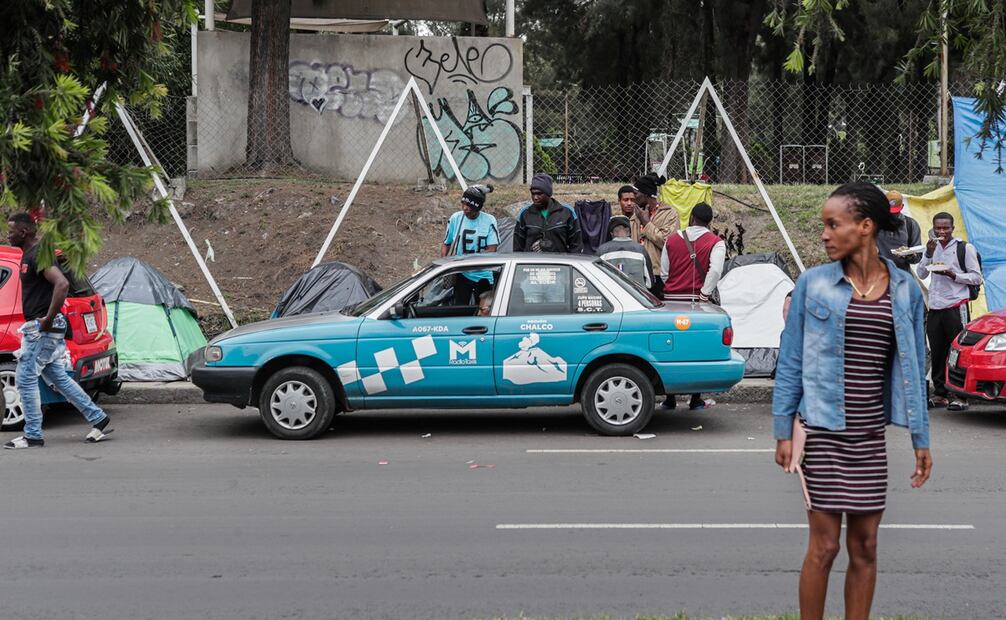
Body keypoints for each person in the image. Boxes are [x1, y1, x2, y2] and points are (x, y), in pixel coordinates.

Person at [773, 182, 932, 620]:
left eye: (832, 224)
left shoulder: (905, 291)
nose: (824, 234)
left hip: (869, 437)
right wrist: (782, 428)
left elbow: (913, 370)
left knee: (865, 547)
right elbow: (790, 360)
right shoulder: (813, 284)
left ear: (865, 227)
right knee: (823, 547)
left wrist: (922, 440)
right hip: (822, 431)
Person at [4, 212, 113, 449]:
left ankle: (33, 434)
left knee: (25, 378)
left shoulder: (37, 257)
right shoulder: (32, 255)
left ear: (24, 232)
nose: (7, 234)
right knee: (58, 377)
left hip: (42, 328)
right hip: (46, 327)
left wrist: (47, 319)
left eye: (11, 231)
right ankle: (98, 418)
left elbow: (62, 284)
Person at [659, 202, 724, 410]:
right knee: (695, 348)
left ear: (691, 218)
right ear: (709, 221)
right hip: (696, 303)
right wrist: (705, 293)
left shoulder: (671, 239)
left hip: (671, 300)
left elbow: (664, 273)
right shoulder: (716, 242)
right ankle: (695, 398)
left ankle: (669, 399)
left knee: (670, 348)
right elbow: (715, 271)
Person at [916, 212, 982, 411]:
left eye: (946, 228)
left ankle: (960, 396)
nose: (942, 232)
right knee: (937, 352)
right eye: (938, 228)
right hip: (935, 307)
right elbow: (921, 273)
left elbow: (976, 278)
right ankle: (940, 394)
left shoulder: (964, 248)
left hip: (956, 306)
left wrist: (952, 274)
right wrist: (927, 254)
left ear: (953, 228)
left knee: (958, 351)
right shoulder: (931, 248)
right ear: (933, 228)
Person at [442, 184, 499, 305]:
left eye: (470, 206)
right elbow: (447, 243)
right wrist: (444, 264)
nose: (465, 208)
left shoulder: (489, 220)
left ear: (478, 207)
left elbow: (492, 249)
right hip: (462, 273)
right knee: (460, 310)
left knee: (484, 309)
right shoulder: (455, 218)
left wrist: (472, 260)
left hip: (483, 275)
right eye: (463, 204)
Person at [631, 173, 679, 296]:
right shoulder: (636, 214)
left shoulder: (669, 214)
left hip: (657, 274)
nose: (633, 197)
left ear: (646, 195)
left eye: (636, 194)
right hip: (636, 272)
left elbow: (667, 242)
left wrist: (646, 223)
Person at [513, 173, 583, 254]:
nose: (535, 197)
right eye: (533, 193)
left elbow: (576, 246)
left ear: (548, 194)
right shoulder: (524, 214)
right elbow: (517, 248)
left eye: (539, 194)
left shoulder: (567, 212)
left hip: (559, 264)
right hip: (532, 264)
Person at [596, 215, 652, 289]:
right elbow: (650, 282)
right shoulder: (640, 250)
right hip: (636, 297)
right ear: (629, 232)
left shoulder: (601, 251)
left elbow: (597, 279)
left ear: (611, 233)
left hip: (611, 296)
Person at [875, 190, 922, 272]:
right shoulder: (874, 224)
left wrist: (910, 256)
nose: (892, 215)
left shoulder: (910, 224)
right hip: (877, 274)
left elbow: (917, 257)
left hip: (902, 275)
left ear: (902, 207)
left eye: (895, 212)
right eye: (889, 211)